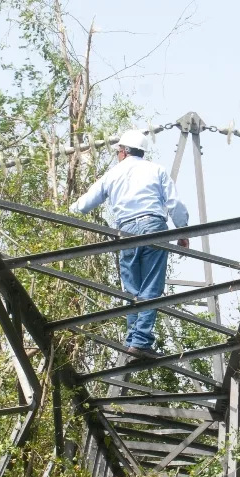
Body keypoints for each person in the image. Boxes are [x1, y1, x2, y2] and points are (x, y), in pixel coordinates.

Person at [69, 130, 190, 359]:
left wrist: (64, 211)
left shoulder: (112, 174)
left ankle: (134, 340)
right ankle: (140, 342)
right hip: (153, 226)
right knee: (151, 286)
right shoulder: (156, 170)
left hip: (124, 231)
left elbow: (84, 204)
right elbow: (175, 203)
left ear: (123, 151)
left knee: (132, 289)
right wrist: (182, 231)